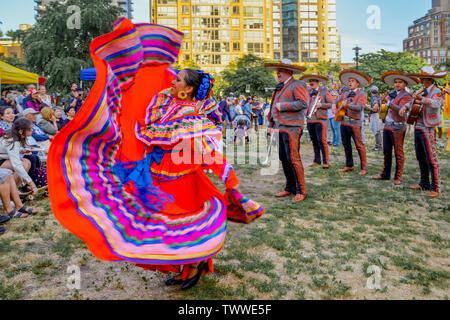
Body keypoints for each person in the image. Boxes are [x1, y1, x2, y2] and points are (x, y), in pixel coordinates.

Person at [47, 19, 263, 293]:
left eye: (178, 79)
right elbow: (144, 100)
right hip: (159, 175)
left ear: (186, 89)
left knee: (186, 222)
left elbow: (208, 149)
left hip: (183, 179)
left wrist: (230, 182)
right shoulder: (163, 100)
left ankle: (194, 267)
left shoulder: (192, 114)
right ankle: (182, 266)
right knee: (161, 222)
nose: (172, 79)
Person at [265, 59, 309, 202]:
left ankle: (301, 191)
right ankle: (289, 188)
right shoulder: (279, 87)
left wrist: (283, 106)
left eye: (281, 70)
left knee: (294, 158)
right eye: (278, 70)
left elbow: (303, 103)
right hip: (280, 127)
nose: (278, 72)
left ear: (289, 72)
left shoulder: (298, 85)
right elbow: (273, 107)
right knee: (283, 158)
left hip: (293, 127)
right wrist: (271, 124)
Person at [400, 66, 447, 198]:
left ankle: (436, 187)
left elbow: (436, 104)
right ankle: (424, 183)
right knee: (420, 156)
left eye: (423, 78)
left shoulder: (437, 91)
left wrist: (422, 99)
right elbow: (412, 102)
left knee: (432, 157)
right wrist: (405, 106)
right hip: (418, 125)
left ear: (429, 79)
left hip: (429, 127)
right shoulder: (422, 90)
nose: (421, 80)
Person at [372, 71, 418, 185]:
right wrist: (381, 101)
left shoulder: (406, 96)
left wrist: (388, 103)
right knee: (386, 152)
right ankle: (385, 174)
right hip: (387, 125)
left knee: (398, 152)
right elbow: (384, 108)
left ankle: (398, 177)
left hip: (398, 126)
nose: (397, 84)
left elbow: (401, 111)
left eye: (400, 82)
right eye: (395, 82)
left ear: (405, 84)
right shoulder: (391, 94)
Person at [336, 70, 371, 176]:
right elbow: (337, 102)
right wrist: (336, 104)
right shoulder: (345, 94)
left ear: (358, 83)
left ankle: (364, 167)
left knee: (359, 145)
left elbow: (359, 107)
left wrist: (348, 106)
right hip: (344, 122)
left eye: (352, 81)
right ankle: (349, 165)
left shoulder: (362, 94)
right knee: (346, 145)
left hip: (355, 123)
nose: (350, 83)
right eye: (349, 81)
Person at [300, 74, 335, 169]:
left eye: (313, 80)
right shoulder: (307, 91)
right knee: (314, 141)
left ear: (317, 82)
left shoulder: (324, 91)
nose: (311, 82)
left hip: (320, 120)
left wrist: (321, 105)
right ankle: (317, 160)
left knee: (322, 141)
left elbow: (331, 103)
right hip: (310, 120)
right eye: (310, 80)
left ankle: (326, 161)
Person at [0, 118, 39, 199]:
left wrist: (22, 150)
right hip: (1, 160)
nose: (32, 130)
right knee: (23, 164)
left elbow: (8, 150)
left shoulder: (16, 135)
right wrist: (31, 183)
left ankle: (14, 190)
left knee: (27, 162)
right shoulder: (12, 140)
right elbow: (16, 165)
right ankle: (8, 192)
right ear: (21, 131)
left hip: (3, 158)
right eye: (30, 129)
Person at [366, 86, 383, 151]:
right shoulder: (378, 97)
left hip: (375, 115)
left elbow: (375, 108)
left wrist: (367, 107)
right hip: (377, 115)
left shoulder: (374, 98)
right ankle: (378, 145)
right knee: (377, 131)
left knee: (376, 131)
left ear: (371, 91)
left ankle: (378, 146)